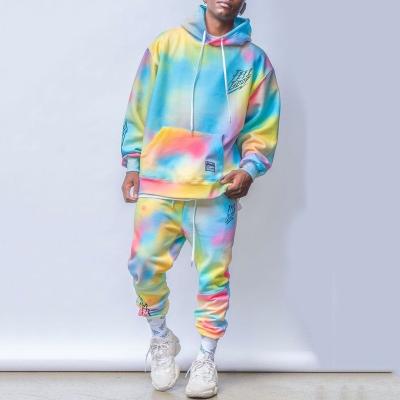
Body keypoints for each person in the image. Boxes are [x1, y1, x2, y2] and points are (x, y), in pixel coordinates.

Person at [120, 0, 281, 397]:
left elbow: (262, 125)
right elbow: (138, 106)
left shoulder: (253, 62)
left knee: (214, 277)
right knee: (142, 266)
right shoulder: (166, 46)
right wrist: (132, 163)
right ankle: (161, 336)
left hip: (215, 189)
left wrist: (249, 168)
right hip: (160, 183)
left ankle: (206, 357)